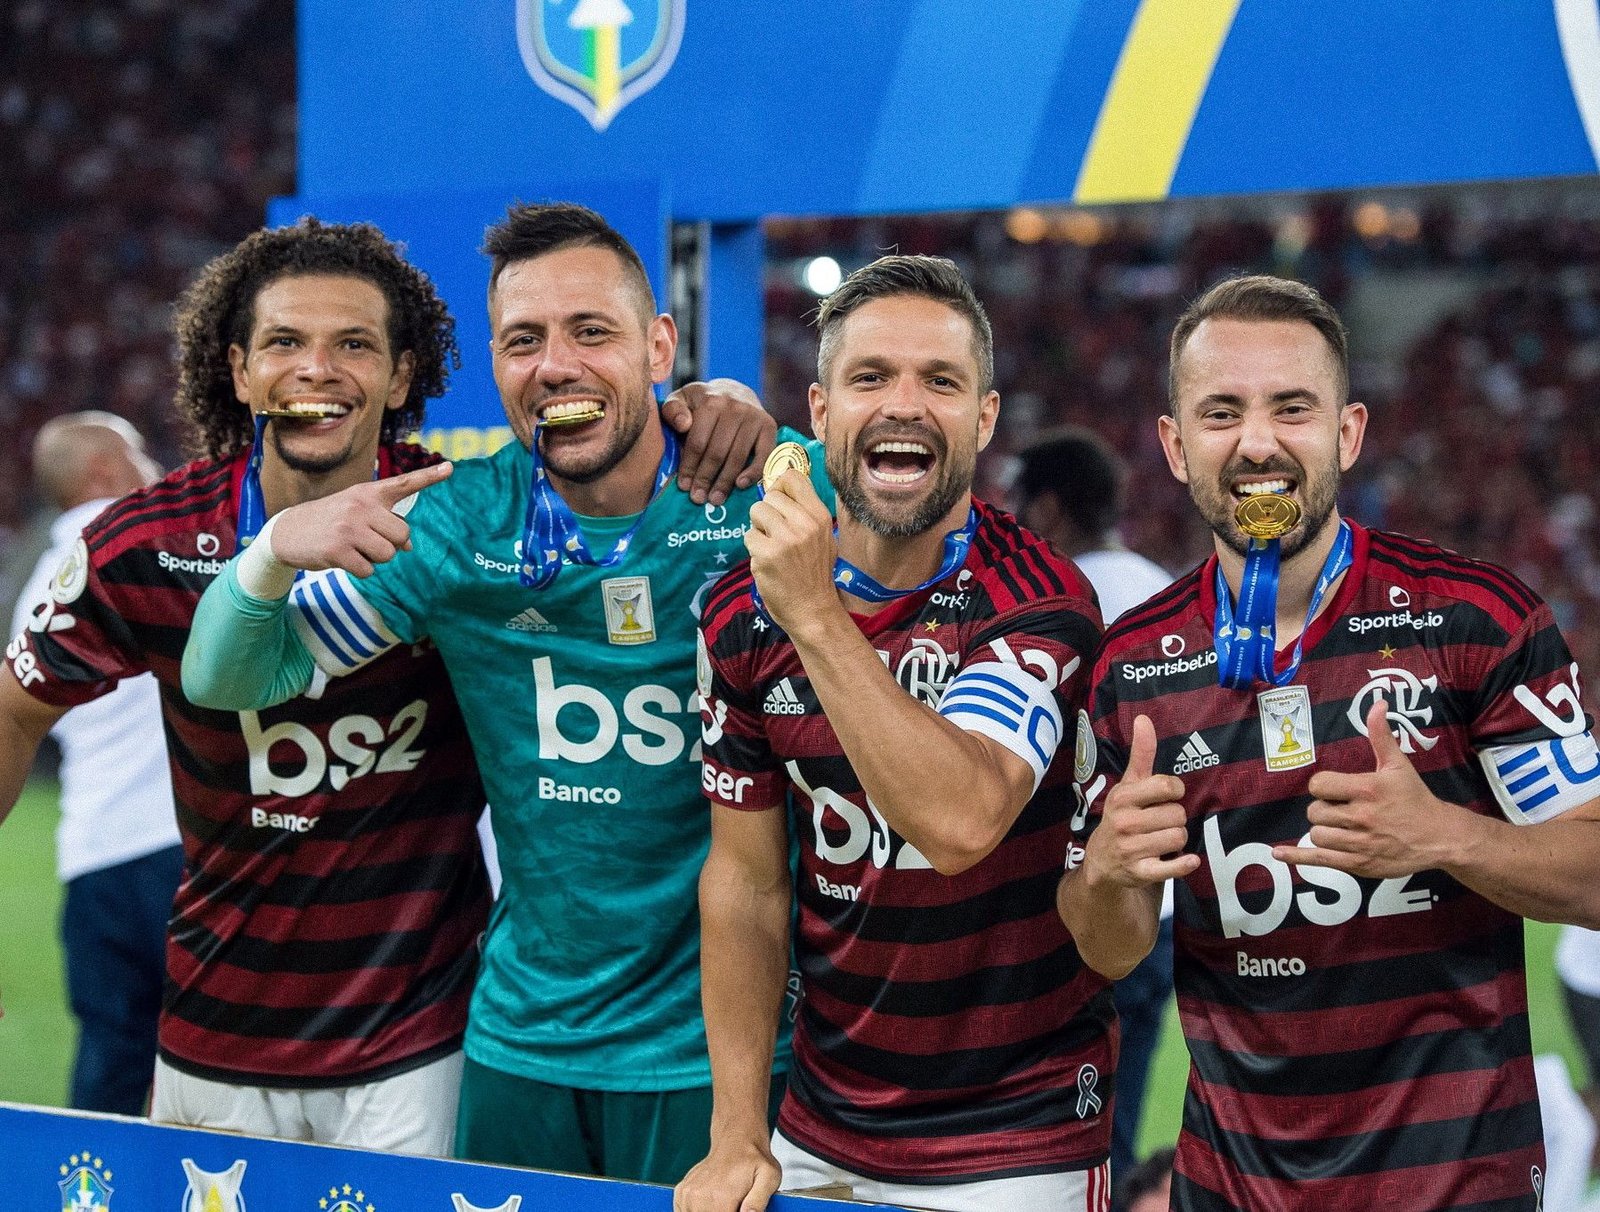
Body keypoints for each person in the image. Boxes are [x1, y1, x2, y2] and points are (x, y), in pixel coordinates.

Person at [181, 202, 798, 1184]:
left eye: (590, 331)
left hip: (727, 1056)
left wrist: (743, 408)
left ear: (658, 346)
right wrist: (270, 556)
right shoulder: (459, 525)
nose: (555, 365)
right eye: (523, 341)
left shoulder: (770, 493)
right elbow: (228, 679)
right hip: (523, 1046)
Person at [1059, 273, 1600, 1211]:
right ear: (1175, 446)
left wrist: (1444, 836)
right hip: (1233, 1190)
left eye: (1291, 408)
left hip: (1455, 1188)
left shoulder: (1476, 620)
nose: (1257, 442)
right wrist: (1106, 875)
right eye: (1221, 412)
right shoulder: (1129, 668)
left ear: (1347, 433)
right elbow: (1107, 948)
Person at [0, 218, 491, 1153]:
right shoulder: (143, 544)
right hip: (215, 1033)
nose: (317, 370)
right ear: (239, 370)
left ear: (401, 376)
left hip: (419, 1045)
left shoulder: (465, 524)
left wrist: (717, 412)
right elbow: (15, 709)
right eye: (285, 342)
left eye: (354, 344)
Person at [676, 254, 1113, 1212]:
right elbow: (746, 884)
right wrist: (737, 1132)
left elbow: (960, 822)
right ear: (822, 410)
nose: (904, 406)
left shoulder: (1040, 601)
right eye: (871, 377)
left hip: (1017, 1139)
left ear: (985, 420)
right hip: (819, 1124)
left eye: (940, 382)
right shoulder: (740, 613)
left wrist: (814, 615)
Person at [1013, 425, 1174, 1182]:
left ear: (1047, 507)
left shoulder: (1058, 596)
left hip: (1075, 900)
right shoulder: (1165, 590)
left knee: (1045, 1137)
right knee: (1122, 1119)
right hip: (1164, 906)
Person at [8, 411, 181, 1116]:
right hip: (174, 843)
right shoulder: (152, 548)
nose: (154, 467)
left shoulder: (38, 589)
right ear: (104, 472)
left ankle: (89, 1177)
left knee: (109, 1062)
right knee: (210, 1063)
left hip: (90, 853)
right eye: (138, 452)